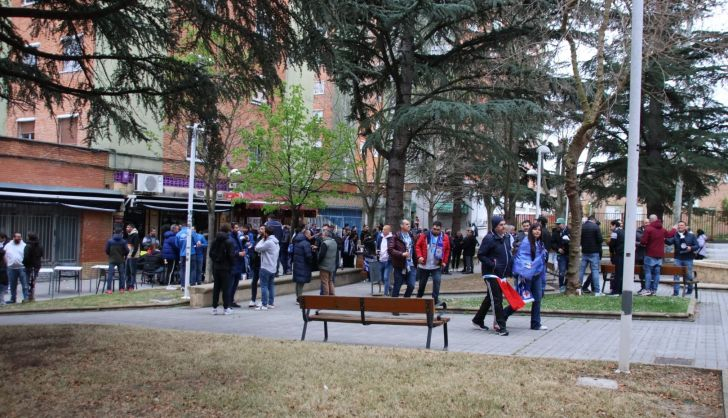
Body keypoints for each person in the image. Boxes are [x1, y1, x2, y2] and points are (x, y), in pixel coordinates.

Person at [472, 216, 512, 336]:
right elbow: (481, 255)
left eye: (504, 224)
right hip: (491, 274)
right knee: (496, 299)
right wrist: (493, 264)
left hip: (501, 274)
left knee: (490, 298)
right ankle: (500, 326)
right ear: (495, 227)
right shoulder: (489, 238)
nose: (503, 226)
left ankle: (478, 319)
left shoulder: (505, 238)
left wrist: (509, 270)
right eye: (500, 225)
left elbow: (507, 255)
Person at [506, 223, 548, 330]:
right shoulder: (526, 242)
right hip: (526, 276)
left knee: (537, 299)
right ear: (531, 231)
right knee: (521, 299)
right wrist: (528, 270)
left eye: (539, 229)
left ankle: (535, 323)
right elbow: (523, 259)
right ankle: (502, 315)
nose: (537, 231)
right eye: (535, 229)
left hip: (537, 275)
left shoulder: (539, 243)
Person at [640, 214, 676, 296]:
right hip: (659, 255)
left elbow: (643, 242)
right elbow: (669, 235)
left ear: (650, 220)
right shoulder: (662, 229)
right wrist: (674, 229)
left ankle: (647, 289)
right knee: (657, 273)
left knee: (648, 273)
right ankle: (654, 290)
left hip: (650, 254)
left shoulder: (648, 229)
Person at [415, 220, 450, 306]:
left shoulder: (444, 237)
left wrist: (444, 262)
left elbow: (447, 250)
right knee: (422, 284)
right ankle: (419, 298)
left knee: (437, 281)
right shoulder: (425, 235)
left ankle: (435, 299)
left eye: (437, 229)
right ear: (432, 228)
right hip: (424, 265)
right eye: (434, 229)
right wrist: (419, 256)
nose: (435, 231)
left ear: (440, 229)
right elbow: (417, 246)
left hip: (436, 265)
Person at [209, 223, 236, 315]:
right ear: (228, 230)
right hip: (226, 267)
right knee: (226, 288)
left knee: (216, 287)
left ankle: (214, 308)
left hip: (216, 267)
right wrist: (232, 264)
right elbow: (231, 255)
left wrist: (216, 260)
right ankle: (226, 308)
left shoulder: (215, 240)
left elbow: (210, 253)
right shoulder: (229, 241)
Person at [666, 221, 698, 296]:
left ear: (685, 226)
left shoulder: (691, 236)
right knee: (676, 274)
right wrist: (662, 236)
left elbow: (697, 246)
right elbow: (669, 242)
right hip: (678, 258)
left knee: (688, 275)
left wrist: (691, 248)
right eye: (679, 225)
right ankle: (676, 292)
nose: (680, 226)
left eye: (682, 225)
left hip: (688, 258)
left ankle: (690, 289)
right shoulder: (675, 235)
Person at [389, 219, 417, 298]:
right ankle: (394, 305)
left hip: (411, 264)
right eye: (406, 224)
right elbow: (390, 250)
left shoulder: (412, 236)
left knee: (411, 285)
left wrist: (418, 259)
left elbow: (415, 249)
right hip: (400, 265)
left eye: (409, 224)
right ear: (401, 226)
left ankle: (405, 301)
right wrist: (402, 254)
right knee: (397, 285)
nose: (409, 225)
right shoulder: (395, 236)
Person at [254, 225, 280, 310]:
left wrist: (262, 238)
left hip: (265, 267)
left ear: (266, 233)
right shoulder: (276, 242)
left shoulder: (268, 242)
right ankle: (271, 303)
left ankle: (264, 304)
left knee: (264, 286)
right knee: (271, 286)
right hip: (273, 267)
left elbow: (257, 248)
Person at [579, 215, 603, 296]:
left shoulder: (582, 227)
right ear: (593, 220)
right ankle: (597, 291)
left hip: (585, 251)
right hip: (594, 252)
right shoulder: (596, 227)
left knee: (581, 270)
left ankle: (579, 288)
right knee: (595, 270)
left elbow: (579, 239)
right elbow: (600, 240)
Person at [4, 232, 28, 303]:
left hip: (22, 267)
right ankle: (13, 298)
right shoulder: (8, 245)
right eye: (17, 237)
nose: (18, 238)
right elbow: (4, 254)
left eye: (20, 237)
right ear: (13, 238)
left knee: (24, 284)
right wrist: (7, 263)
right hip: (11, 268)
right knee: (12, 285)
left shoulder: (24, 245)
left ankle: (25, 298)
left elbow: (27, 255)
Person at [292, 228, 314, 301]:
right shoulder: (306, 243)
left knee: (298, 283)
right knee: (301, 283)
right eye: (309, 234)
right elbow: (308, 256)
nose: (310, 236)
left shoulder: (297, 241)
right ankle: (299, 299)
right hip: (303, 265)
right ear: (306, 234)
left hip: (297, 264)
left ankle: (298, 297)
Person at [104, 228, 129, 294]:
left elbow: (106, 250)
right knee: (121, 275)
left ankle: (109, 289)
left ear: (114, 232)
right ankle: (121, 289)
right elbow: (127, 250)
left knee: (110, 274)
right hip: (120, 260)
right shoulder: (123, 241)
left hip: (112, 260)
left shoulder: (110, 241)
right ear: (121, 233)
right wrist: (123, 254)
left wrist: (110, 255)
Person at [22, 232, 43, 302]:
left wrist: (24, 263)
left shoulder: (28, 246)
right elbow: (41, 255)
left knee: (26, 281)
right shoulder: (40, 246)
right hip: (37, 265)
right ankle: (32, 296)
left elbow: (26, 257)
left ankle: (26, 297)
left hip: (29, 265)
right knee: (33, 281)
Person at [317, 229, 339, 295]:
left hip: (324, 266)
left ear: (326, 235)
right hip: (332, 265)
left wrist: (318, 262)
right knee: (330, 281)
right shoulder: (334, 242)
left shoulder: (325, 243)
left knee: (324, 282)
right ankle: (332, 295)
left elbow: (321, 255)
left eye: (323, 235)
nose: (322, 236)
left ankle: (326, 297)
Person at [229, 223, 245, 308]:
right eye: (235, 228)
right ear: (231, 229)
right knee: (231, 284)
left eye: (238, 227)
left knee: (235, 284)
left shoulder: (237, 237)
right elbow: (230, 252)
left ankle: (231, 300)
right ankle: (228, 301)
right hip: (233, 263)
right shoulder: (230, 238)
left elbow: (240, 247)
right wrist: (238, 253)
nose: (237, 229)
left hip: (238, 263)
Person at [607, 220, 625, 295]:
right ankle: (621, 289)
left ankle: (616, 290)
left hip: (618, 254)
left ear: (614, 225)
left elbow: (612, 244)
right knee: (621, 273)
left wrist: (611, 252)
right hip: (623, 254)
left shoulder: (615, 233)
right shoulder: (623, 231)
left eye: (611, 226)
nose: (610, 227)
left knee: (617, 273)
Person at [249, 225, 265, 308]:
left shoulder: (266, 239)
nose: (260, 230)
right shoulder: (258, 238)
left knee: (263, 283)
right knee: (254, 282)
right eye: (260, 228)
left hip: (262, 264)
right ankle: (253, 299)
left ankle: (263, 300)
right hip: (256, 263)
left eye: (262, 229)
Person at [553, 218, 570, 292]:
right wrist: (558, 249)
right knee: (562, 271)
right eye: (557, 224)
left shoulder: (569, 231)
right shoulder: (555, 232)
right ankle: (561, 285)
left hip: (569, 254)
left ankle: (566, 284)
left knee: (569, 271)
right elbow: (552, 243)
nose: (557, 226)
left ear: (563, 224)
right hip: (561, 255)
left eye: (559, 224)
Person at [125, 224, 141, 291]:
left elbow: (136, 247)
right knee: (127, 272)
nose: (126, 228)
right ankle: (128, 286)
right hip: (128, 256)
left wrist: (132, 255)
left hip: (133, 257)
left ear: (132, 228)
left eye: (128, 227)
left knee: (132, 272)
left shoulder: (135, 235)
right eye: (126, 227)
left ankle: (131, 286)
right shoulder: (130, 235)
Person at [378, 225, 393, 295]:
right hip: (381, 260)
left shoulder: (392, 238)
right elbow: (378, 246)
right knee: (382, 278)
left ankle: (385, 294)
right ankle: (390, 288)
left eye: (385, 230)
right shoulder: (380, 237)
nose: (383, 231)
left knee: (386, 277)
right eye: (383, 229)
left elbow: (393, 249)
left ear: (389, 231)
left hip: (388, 261)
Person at [0, 233, 9, 305]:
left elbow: (5, 256)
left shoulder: (7, 245)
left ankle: (2, 300)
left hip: (3, 266)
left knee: (3, 283)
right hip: (2, 266)